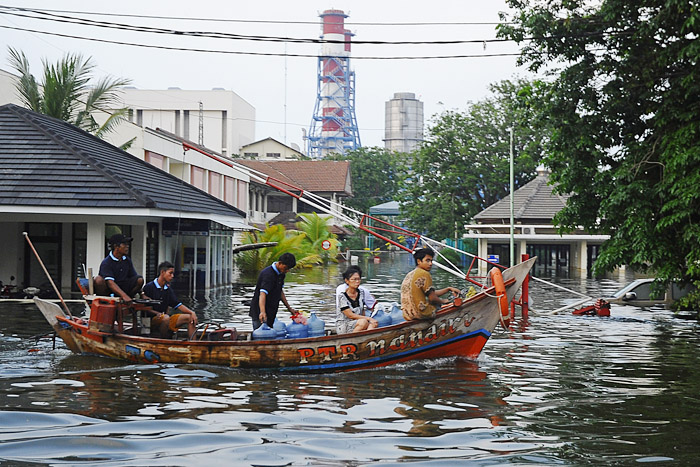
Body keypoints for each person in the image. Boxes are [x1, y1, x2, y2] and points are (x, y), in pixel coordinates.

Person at [141, 261, 198, 338]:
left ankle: (193, 344)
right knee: (165, 318)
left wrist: (192, 313)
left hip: (166, 318)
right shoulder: (149, 287)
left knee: (190, 318)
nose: (172, 276)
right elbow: (143, 307)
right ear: (162, 272)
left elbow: (178, 304)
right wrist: (157, 313)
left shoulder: (168, 289)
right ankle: (164, 340)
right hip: (152, 320)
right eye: (170, 273)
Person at [401, 247, 460, 320]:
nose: (430, 264)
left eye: (431, 261)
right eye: (427, 261)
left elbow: (431, 293)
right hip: (421, 314)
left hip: (407, 315)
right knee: (437, 303)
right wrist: (445, 301)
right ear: (419, 261)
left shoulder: (410, 274)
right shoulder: (424, 273)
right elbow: (432, 298)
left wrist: (448, 289)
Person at [249, 253, 297, 330]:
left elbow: (280, 292)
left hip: (271, 310)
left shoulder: (281, 274)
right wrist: (262, 312)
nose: (287, 271)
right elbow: (262, 294)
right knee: (260, 335)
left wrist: (289, 309)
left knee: (269, 334)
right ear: (280, 263)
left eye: (288, 269)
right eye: (286, 268)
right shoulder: (268, 274)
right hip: (259, 311)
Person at [94, 233, 144, 303]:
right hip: (111, 290)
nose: (127, 246)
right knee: (98, 280)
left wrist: (142, 293)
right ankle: (106, 302)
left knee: (140, 280)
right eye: (124, 244)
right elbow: (110, 283)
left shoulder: (127, 260)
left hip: (124, 287)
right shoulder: (106, 262)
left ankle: (129, 298)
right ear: (116, 247)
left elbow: (134, 276)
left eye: (127, 244)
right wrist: (124, 296)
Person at [336, 265, 378, 334]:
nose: (357, 281)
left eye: (358, 279)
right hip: (345, 324)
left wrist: (369, 320)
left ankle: (365, 340)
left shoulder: (361, 293)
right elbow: (350, 315)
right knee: (363, 321)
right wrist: (368, 318)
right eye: (354, 279)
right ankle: (350, 340)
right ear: (347, 281)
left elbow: (362, 310)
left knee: (374, 323)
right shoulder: (342, 296)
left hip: (358, 322)